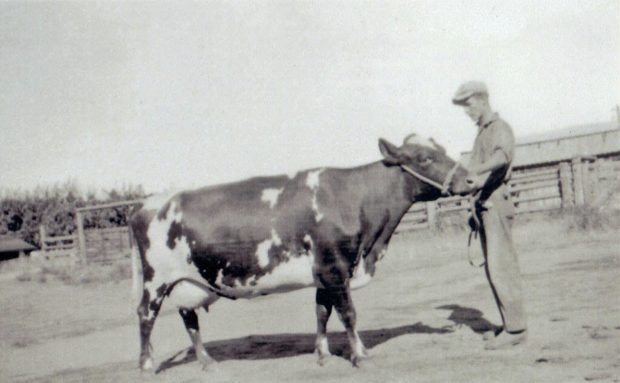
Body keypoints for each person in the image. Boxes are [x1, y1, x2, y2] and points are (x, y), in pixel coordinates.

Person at [452, 81, 527, 350]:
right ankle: (508, 324)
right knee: (493, 269)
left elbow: (502, 157)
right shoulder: (481, 134)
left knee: (501, 266)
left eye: (469, 105)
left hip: (496, 202)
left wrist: (478, 171)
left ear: (482, 100)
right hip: (484, 204)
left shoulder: (500, 128)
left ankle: (516, 329)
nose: (467, 112)